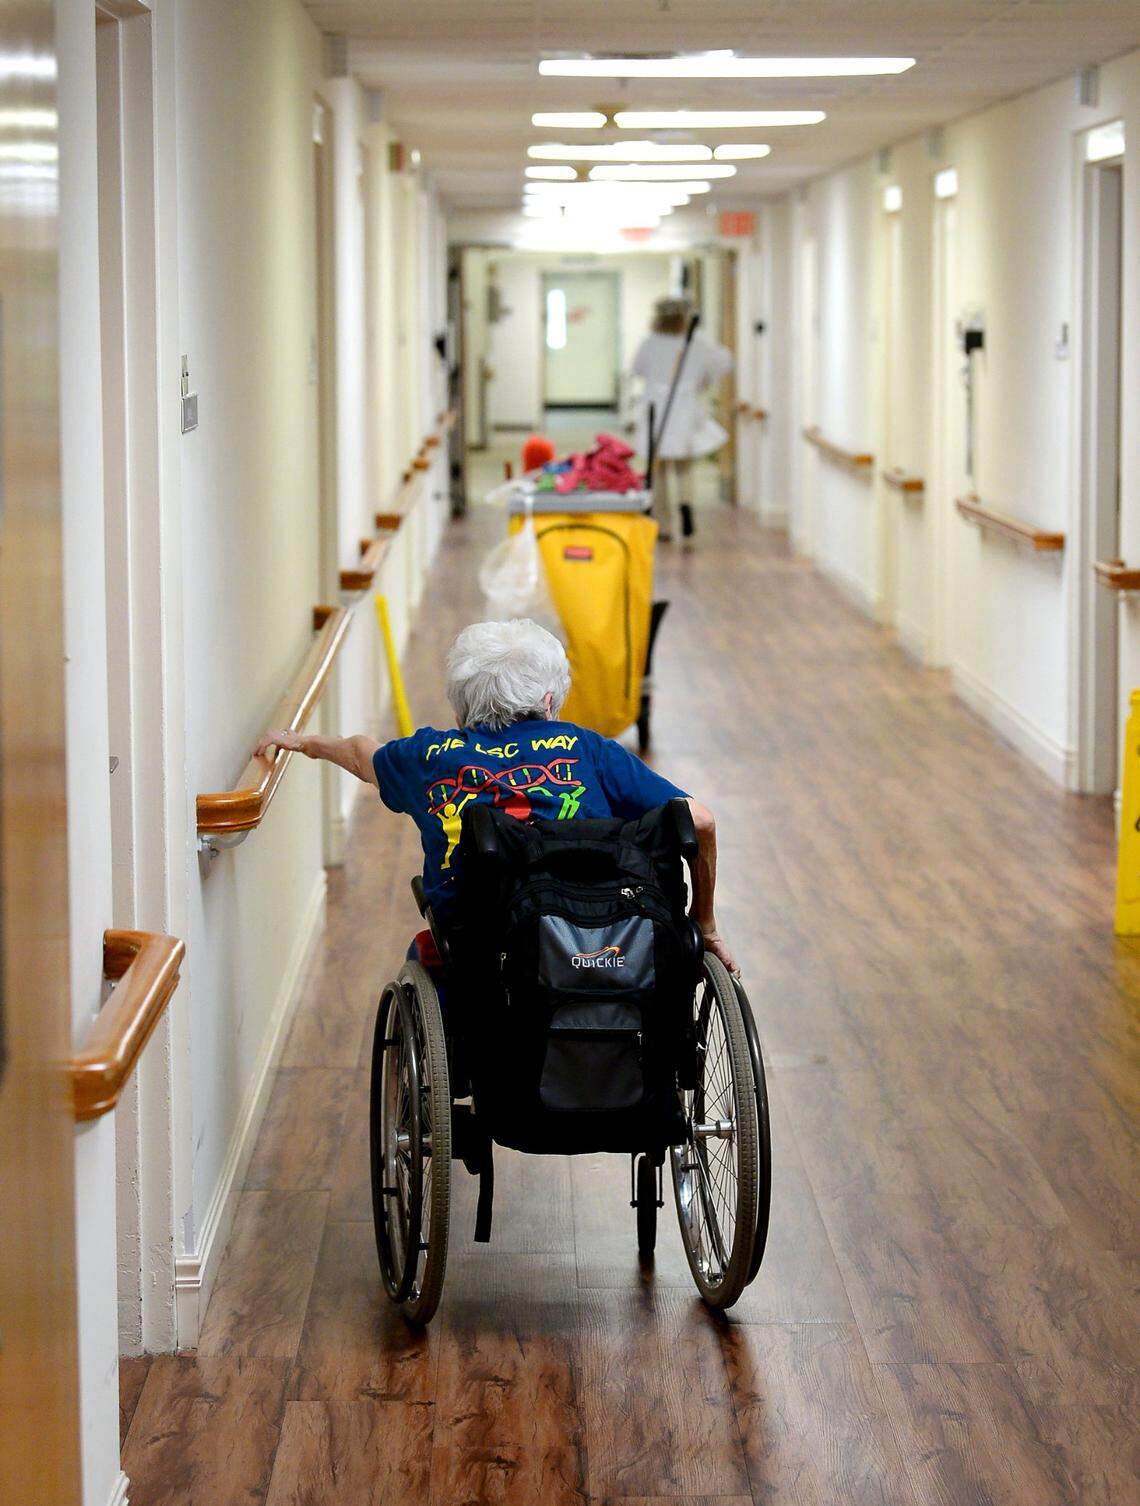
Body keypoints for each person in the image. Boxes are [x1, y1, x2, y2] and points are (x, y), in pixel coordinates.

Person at [254, 617, 737, 973]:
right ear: (549, 700)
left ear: (462, 702)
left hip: (483, 947)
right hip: (609, 936)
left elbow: (363, 754)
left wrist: (309, 744)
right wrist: (705, 922)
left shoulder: (430, 756)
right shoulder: (588, 749)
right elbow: (700, 821)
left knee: (428, 957)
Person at [632, 295, 734, 541]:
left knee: (659, 470)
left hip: (657, 407)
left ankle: (663, 524)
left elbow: (637, 368)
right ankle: (686, 505)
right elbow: (724, 364)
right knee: (684, 466)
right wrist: (702, 381)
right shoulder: (698, 342)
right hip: (685, 408)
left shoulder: (650, 342)